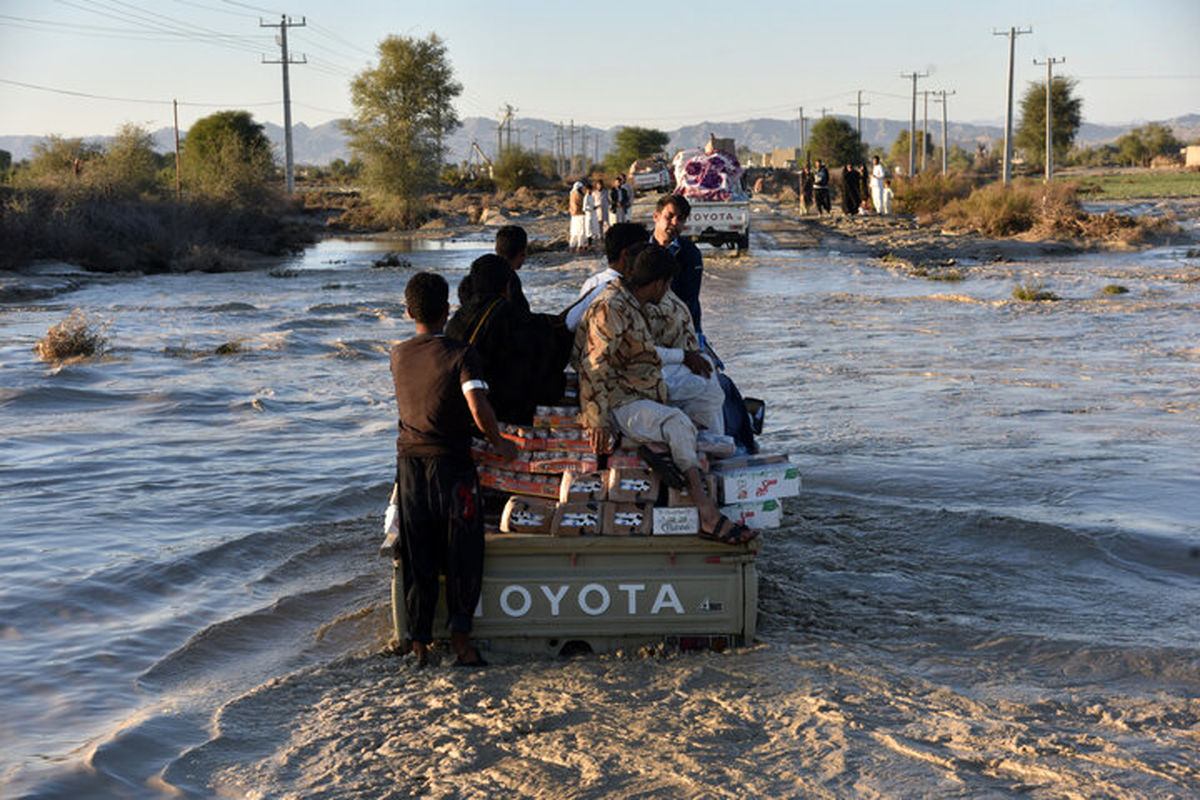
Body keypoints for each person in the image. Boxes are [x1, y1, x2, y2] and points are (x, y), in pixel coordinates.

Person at [574, 246, 756, 544]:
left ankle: (674, 450)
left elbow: (640, 353)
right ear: (660, 283)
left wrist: (684, 358)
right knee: (677, 423)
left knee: (710, 391)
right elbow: (593, 366)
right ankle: (708, 514)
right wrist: (597, 420)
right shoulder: (611, 308)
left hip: (646, 388)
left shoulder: (633, 303)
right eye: (667, 284)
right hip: (621, 400)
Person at [389, 271, 518, 668]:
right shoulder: (461, 354)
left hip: (409, 465)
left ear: (408, 311)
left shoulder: (397, 354)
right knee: (463, 551)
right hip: (452, 466)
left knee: (419, 553)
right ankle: (463, 643)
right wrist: (501, 444)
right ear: (448, 311)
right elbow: (479, 409)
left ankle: (420, 644)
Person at [447, 255, 565, 425]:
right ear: (507, 286)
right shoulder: (507, 314)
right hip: (501, 407)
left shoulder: (459, 317)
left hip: (462, 406)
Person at [565, 222, 647, 332]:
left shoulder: (592, 282)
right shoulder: (624, 289)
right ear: (625, 255)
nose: (647, 259)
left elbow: (572, 323)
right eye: (643, 253)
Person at [651, 193, 704, 336]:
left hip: (683, 328)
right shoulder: (639, 249)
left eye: (680, 219)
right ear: (656, 217)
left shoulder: (690, 253)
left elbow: (689, 299)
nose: (674, 223)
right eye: (669, 216)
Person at [494, 224, 530, 314]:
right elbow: (522, 316)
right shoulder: (510, 279)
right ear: (523, 252)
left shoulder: (480, 272)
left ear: (496, 249)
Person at [568, 181, 587, 253]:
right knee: (581, 232)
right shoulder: (578, 195)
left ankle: (572, 247)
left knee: (574, 233)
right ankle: (580, 247)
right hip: (580, 215)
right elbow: (581, 205)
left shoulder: (572, 194)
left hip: (574, 216)